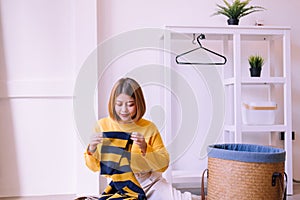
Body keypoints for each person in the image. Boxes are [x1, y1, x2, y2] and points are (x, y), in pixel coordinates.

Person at [84, 77, 201, 200]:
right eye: (119, 104)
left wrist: (146, 148)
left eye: (130, 105)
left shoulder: (149, 127)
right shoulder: (102, 126)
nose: (124, 110)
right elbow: (94, 167)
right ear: (113, 104)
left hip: (150, 182)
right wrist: (91, 149)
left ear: (138, 103)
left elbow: (163, 165)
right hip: (120, 185)